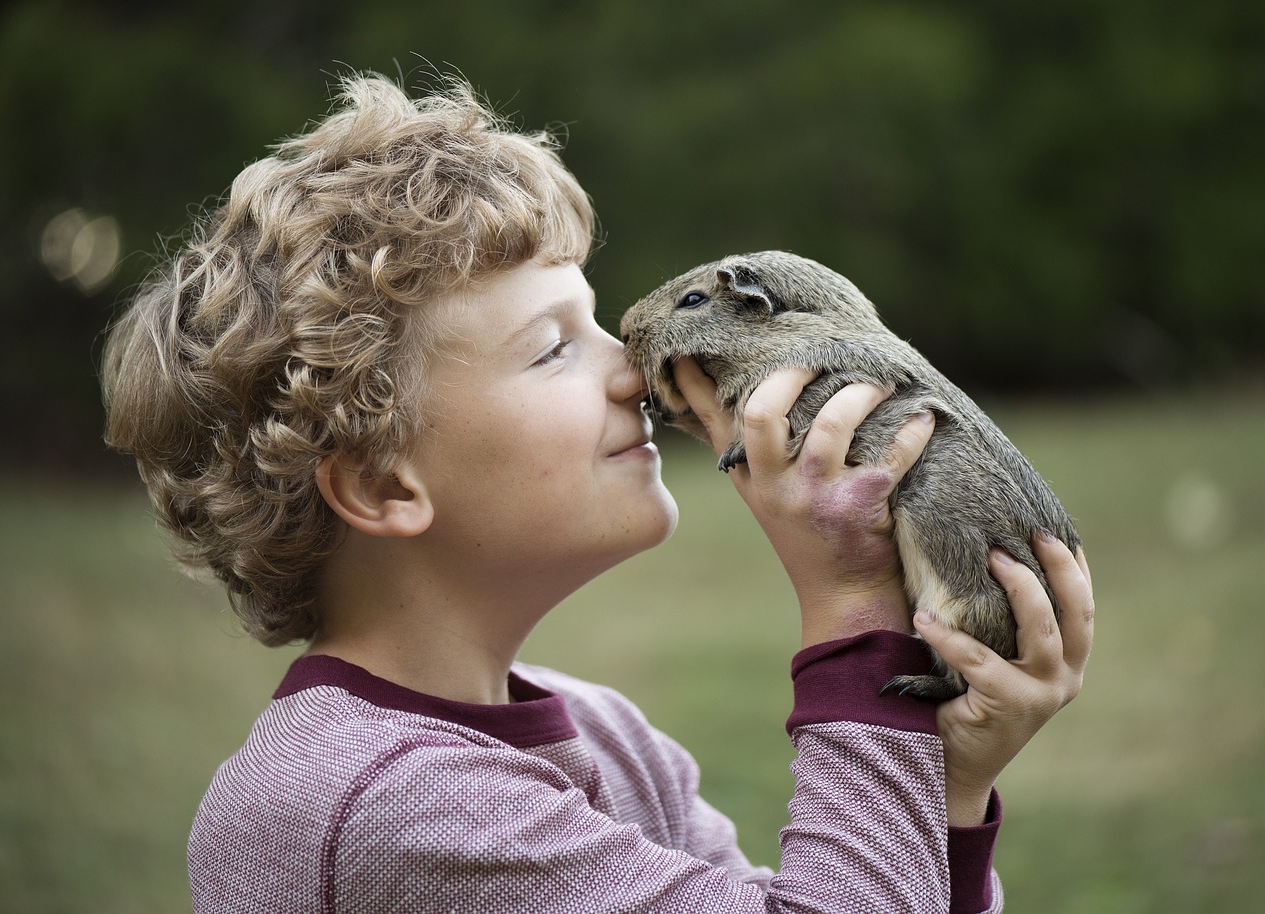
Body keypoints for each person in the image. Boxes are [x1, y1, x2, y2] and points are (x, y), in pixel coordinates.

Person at [100, 72, 1092, 913]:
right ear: (378, 481)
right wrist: (852, 610)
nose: (631, 370)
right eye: (552, 347)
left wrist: (944, 786)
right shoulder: (377, 804)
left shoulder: (605, 734)